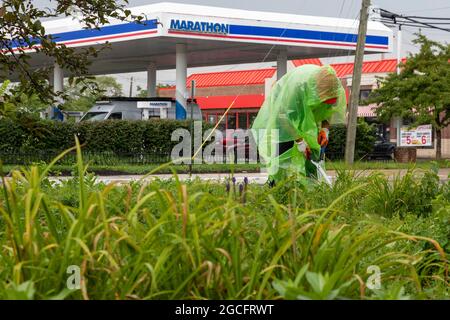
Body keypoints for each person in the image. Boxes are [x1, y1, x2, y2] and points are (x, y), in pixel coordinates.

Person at [251, 64, 345, 186]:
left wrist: (324, 129)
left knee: (312, 150)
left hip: (305, 108)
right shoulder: (296, 88)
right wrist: (299, 140)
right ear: (315, 91)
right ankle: (277, 187)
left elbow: (328, 109)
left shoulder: (334, 88)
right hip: (283, 112)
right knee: (284, 150)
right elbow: (283, 116)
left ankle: (311, 188)